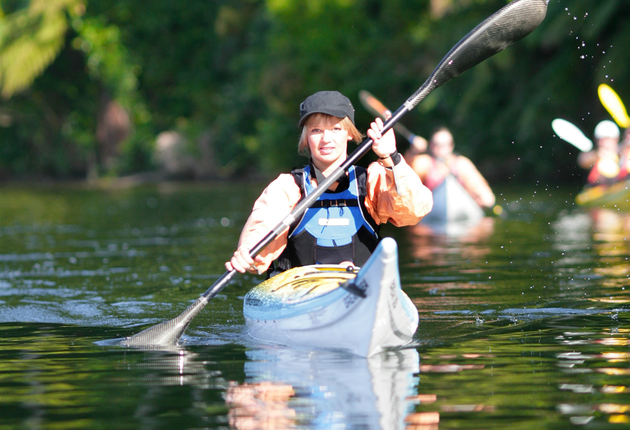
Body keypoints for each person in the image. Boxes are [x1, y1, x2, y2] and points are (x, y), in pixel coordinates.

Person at [226, 90, 433, 275]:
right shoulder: (288, 187)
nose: (326, 139)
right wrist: (248, 251)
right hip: (299, 294)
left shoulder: (371, 181)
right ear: (306, 137)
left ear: (349, 134)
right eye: (316, 130)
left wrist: (392, 158)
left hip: (359, 288)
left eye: (335, 129)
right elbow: (263, 223)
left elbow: (414, 211)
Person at [404, 127, 496, 209]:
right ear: (431, 145)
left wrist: (485, 198)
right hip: (431, 209)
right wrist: (413, 151)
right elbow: (404, 180)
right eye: (437, 144)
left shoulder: (462, 164)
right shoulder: (423, 162)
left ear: (451, 145)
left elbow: (482, 189)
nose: (441, 148)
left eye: (446, 144)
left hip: (461, 208)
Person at [577, 120, 621, 185]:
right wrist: (598, 155)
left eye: (607, 139)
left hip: (619, 189)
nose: (602, 143)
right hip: (596, 191)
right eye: (600, 139)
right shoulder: (595, 155)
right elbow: (582, 160)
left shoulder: (622, 151)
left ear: (616, 139)